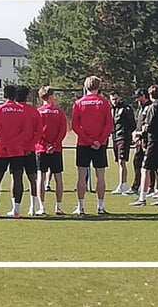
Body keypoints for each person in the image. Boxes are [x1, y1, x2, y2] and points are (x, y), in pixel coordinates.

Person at [71, 75, 113, 216]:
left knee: (81, 175)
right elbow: (109, 124)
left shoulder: (79, 103)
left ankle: (81, 207)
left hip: (83, 143)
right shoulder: (104, 103)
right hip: (100, 144)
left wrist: (88, 140)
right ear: (98, 87)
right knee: (100, 175)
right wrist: (99, 140)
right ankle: (100, 206)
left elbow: (75, 125)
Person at [0, 84, 28, 218]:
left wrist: (6, 143)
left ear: (4, 95)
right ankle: (17, 210)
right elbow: (25, 130)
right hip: (17, 149)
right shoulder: (21, 110)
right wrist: (16, 142)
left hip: (2, 149)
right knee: (18, 178)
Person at [134, 85, 158, 206]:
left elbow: (149, 126)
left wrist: (139, 134)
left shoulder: (153, 107)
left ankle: (142, 198)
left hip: (154, 142)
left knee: (145, 169)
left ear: (151, 95)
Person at [35, 86, 68, 216]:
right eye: (54, 95)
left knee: (40, 177)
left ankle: (42, 207)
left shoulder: (38, 112)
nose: (55, 97)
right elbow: (63, 130)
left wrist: (45, 144)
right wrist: (54, 145)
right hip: (56, 149)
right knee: (58, 177)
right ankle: (58, 207)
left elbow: (36, 132)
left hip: (41, 149)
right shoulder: (59, 112)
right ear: (49, 97)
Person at [15, 85, 42, 216]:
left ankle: (15, 207)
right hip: (30, 150)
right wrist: (31, 145)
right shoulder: (34, 111)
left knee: (16, 178)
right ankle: (33, 207)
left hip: (16, 150)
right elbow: (39, 131)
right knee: (32, 178)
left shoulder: (14, 111)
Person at [109, 90, 136, 195]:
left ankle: (123, 184)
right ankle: (122, 184)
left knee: (122, 161)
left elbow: (132, 124)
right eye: (112, 99)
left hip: (123, 137)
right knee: (119, 161)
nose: (114, 101)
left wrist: (130, 135)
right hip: (115, 137)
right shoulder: (111, 109)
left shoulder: (126, 109)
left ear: (119, 97)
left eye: (116, 99)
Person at [130, 88, 151, 195]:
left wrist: (140, 134)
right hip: (140, 140)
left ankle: (151, 187)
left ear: (144, 96)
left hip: (147, 141)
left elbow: (147, 125)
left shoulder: (150, 107)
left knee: (149, 165)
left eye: (138, 97)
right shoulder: (141, 108)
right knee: (137, 162)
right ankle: (136, 186)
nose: (137, 100)